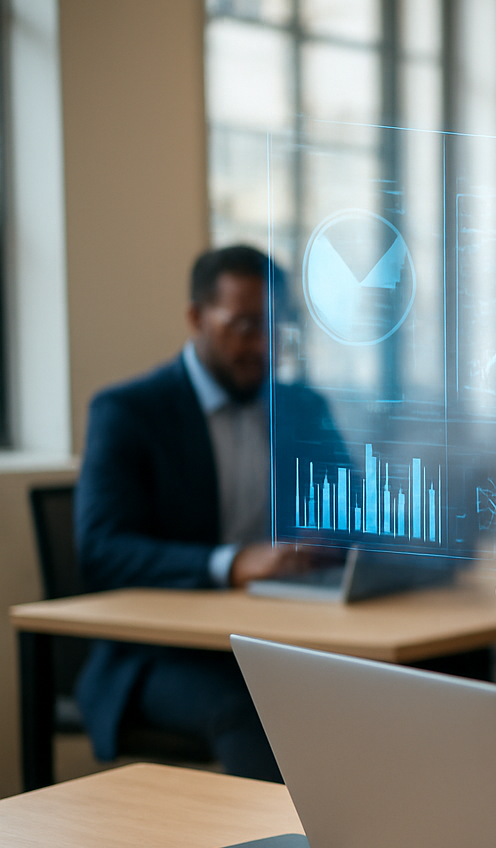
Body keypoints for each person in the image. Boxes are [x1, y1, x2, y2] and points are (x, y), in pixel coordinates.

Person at [74, 245, 344, 782]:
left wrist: (334, 537)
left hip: (287, 635)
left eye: (277, 328)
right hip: (164, 655)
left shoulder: (302, 406)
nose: (263, 345)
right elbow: (101, 550)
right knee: (255, 708)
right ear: (196, 317)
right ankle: (289, 839)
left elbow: (352, 508)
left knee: (425, 680)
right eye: (245, 326)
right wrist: (232, 563)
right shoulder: (129, 411)